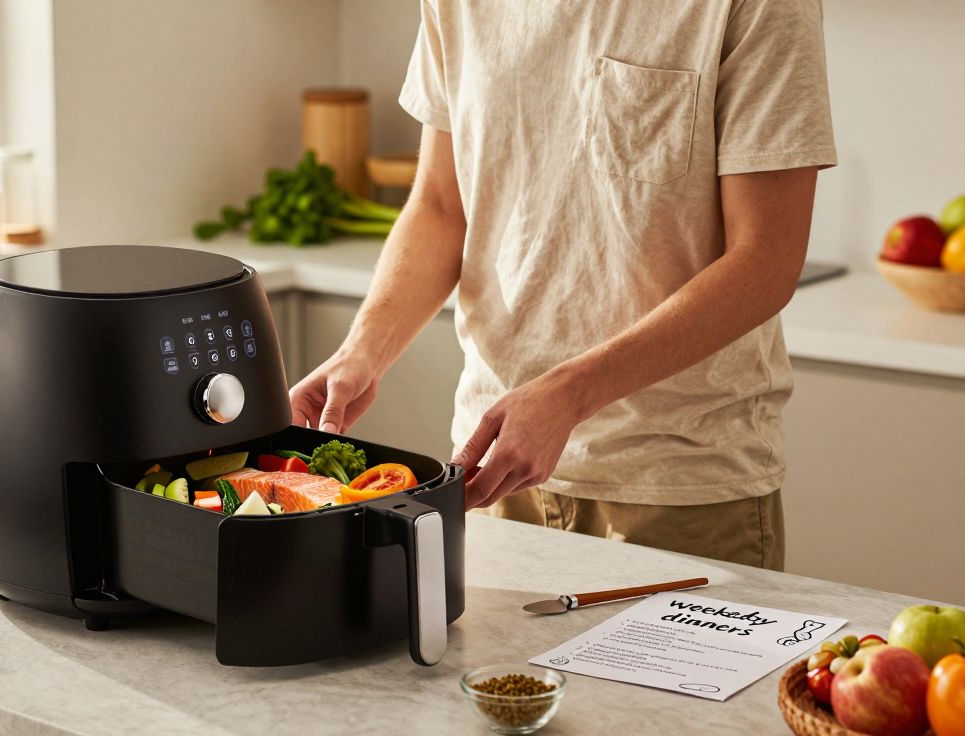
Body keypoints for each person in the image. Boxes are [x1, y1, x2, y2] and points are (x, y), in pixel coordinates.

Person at [290, 0, 837, 570]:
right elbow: (441, 205)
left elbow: (765, 260)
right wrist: (363, 351)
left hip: (679, 487)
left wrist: (568, 397)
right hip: (492, 470)